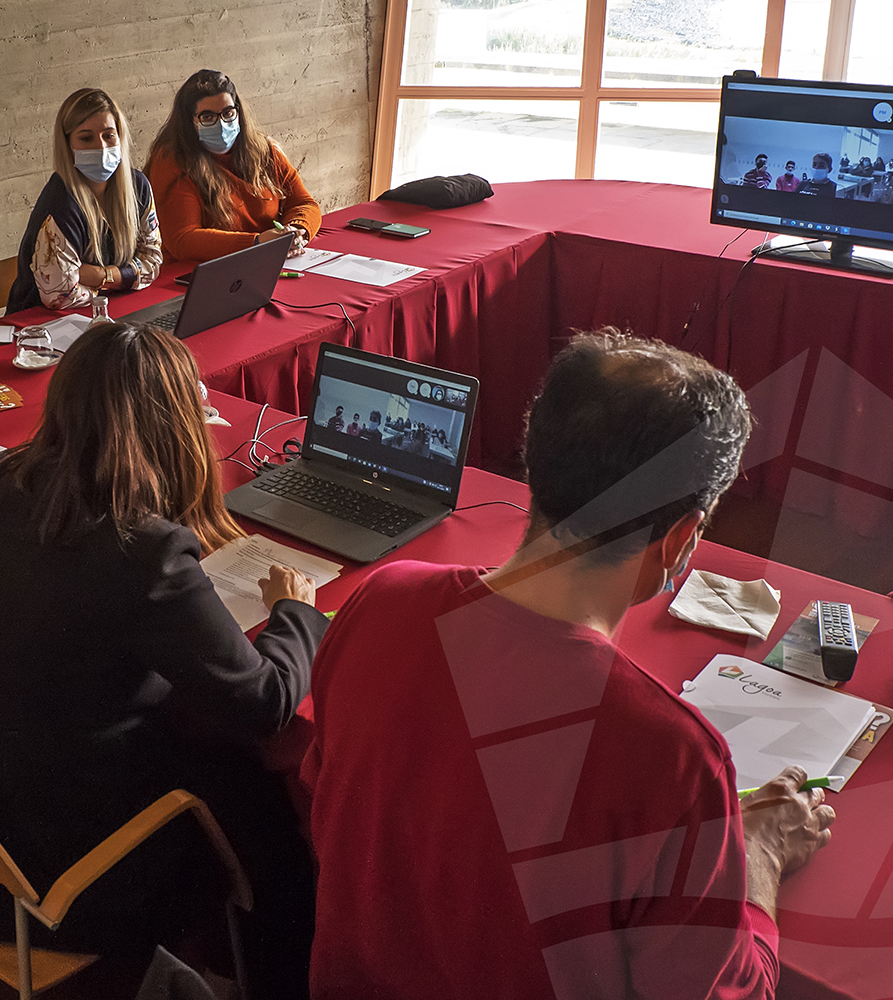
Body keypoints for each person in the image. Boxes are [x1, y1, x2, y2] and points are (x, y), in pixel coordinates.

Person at [301, 330, 834, 1000]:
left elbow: (328, 800)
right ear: (678, 540)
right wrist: (759, 854)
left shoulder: (379, 601)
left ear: (536, 463)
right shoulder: (672, 753)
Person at [0, 322, 328, 996]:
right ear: (173, 428)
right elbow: (264, 702)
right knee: (269, 813)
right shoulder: (144, 550)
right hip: (68, 870)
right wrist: (297, 613)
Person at [6, 88, 163, 314]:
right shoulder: (59, 202)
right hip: (41, 323)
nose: (100, 147)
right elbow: (60, 295)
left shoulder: (138, 185)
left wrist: (98, 275)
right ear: (68, 144)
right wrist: (122, 279)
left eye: (109, 135)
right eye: (86, 138)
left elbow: (153, 261)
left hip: (109, 310)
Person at [147, 69, 321, 262]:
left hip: (265, 260)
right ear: (189, 122)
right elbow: (183, 239)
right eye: (207, 117)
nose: (221, 125)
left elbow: (304, 203)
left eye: (228, 113)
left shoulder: (264, 150)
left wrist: (297, 231)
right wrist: (257, 242)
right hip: (200, 272)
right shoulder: (173, 162)